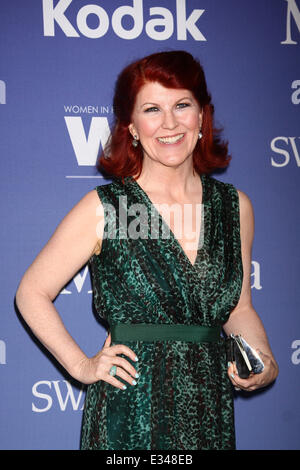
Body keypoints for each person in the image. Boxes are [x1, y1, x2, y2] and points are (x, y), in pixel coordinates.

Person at [16, 50, 278, 450]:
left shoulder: (235, 207)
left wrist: (264, 359)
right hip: (130, 409)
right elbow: (31, 292)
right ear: (131, 127)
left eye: (182, 105)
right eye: (152, 109)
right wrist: (81, 365)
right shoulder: (107, 207)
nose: (169, 123)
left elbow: (239, 308)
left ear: (202, 116)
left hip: (209, 409)